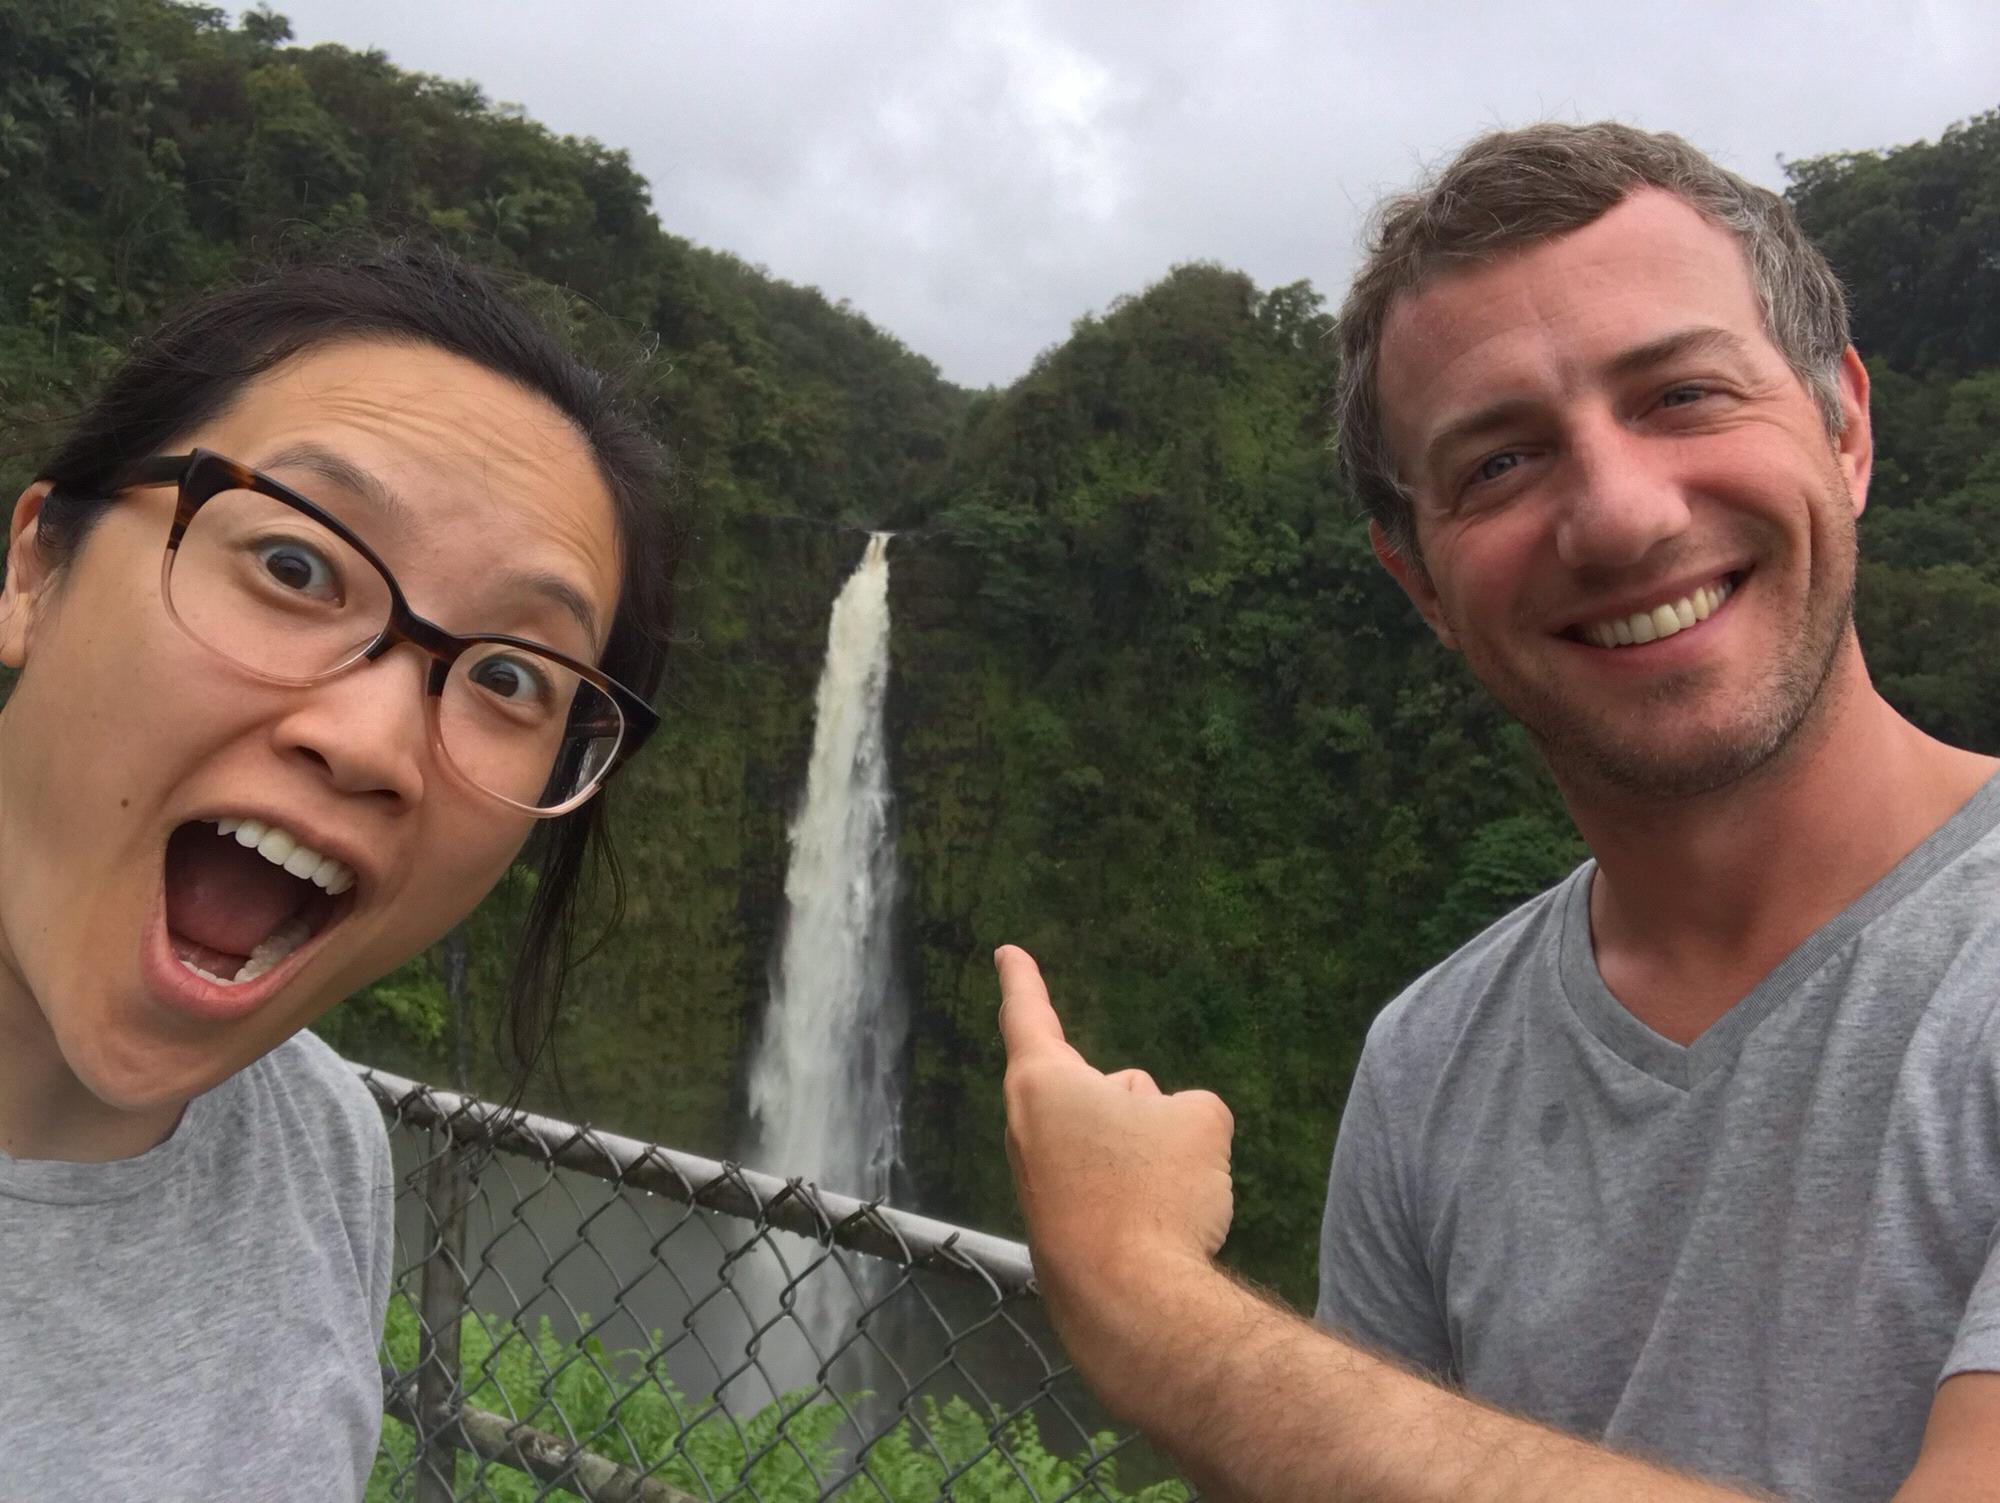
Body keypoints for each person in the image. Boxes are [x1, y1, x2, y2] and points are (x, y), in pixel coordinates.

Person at [996, 121, 2000, 1503]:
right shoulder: (1428, 1061)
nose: (1623, 513)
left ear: (1846, 428)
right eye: (1500, 464)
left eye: (1685, 394)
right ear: (1421, 588)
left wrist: (1138, 1289)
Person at [0, 242, 674, 1495]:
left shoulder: (319, 1147)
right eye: (295, 565)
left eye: (512, 677)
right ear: (36, 568)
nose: (372, 745)